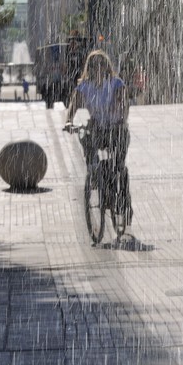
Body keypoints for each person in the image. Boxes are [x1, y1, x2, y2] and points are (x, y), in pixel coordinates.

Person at [63, 49, 132, 230]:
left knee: (118, 166)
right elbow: (75, 103)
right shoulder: (85, 86)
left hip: (117, 129)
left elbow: (124, 103)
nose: (98, 69)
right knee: (85, 137)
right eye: (94, 66)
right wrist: (69, 121)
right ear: (90, 68)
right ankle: (94, 173)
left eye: (101, 65)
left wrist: (120, 120)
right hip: (98, 128)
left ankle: (123, 199)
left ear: (107, 66)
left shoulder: (116, 83)